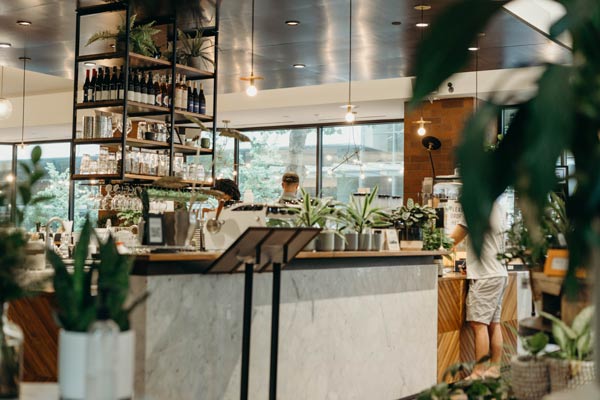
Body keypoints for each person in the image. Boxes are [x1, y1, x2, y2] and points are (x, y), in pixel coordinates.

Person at [450, 201, 508, 379]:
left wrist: (437, 245)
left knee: (479, 324)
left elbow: (452, 239)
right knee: (493, 323)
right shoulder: (498, 206)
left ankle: (479, 372)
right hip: (498, 272)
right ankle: (495, 369)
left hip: (485, 275)